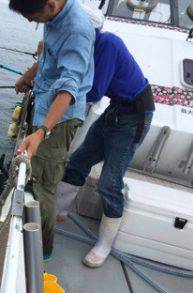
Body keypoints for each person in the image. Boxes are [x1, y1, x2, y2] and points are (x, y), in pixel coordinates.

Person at [58, 30, 155, 268]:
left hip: (135, 116)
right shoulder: (87, 49)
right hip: (115, 111)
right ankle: (58, 212)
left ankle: (104, 245)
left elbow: (94, 91)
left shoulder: (108, 44)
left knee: (109, 182)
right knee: (78, 161)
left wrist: (58, 96)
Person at [9, 0, 95, 261]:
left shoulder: (77, 29)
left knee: (44, 187)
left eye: (32, 16)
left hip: (60, 118)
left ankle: (42, 250)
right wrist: (29, 75)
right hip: (46, 105)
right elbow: (48, 52)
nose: (30, 21)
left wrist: (42, 131)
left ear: (49, 5)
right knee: (37, 178)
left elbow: (69, 87)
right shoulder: (53, 16)